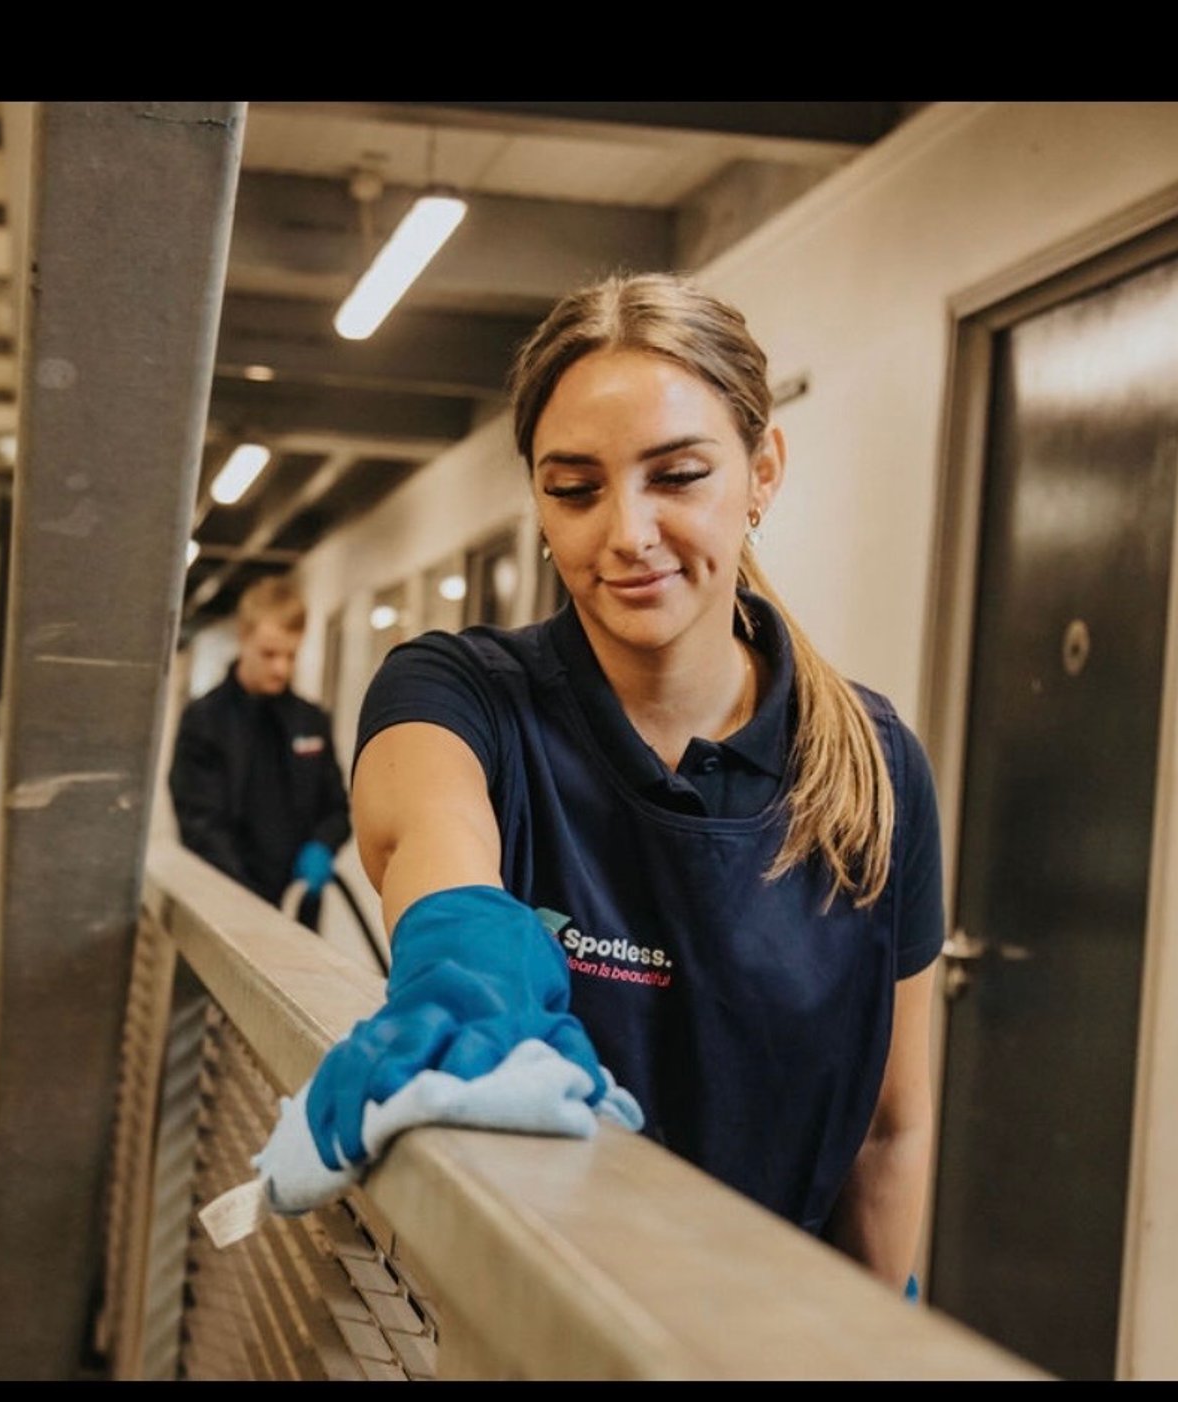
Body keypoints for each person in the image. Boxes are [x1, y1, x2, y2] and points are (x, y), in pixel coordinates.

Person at [255, 272, 943, 1298]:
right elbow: (427, 830)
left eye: (677, 477)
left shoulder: (873, 767)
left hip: (765, 1333)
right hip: (517, 1321)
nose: (626, 532)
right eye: (575, 488)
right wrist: (466, 959)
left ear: (762, 472)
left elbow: (891, 1130)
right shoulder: (463, 693)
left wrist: (874, 1330)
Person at [169, 575, 352, 931]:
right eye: (269, 654)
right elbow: (200, 824)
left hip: (297, 914)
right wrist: (250, 904)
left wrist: (323, 845)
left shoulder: (311, 721)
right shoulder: (204, 720)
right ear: (243, 638)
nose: (281, 668)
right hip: (223, 914)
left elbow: (336, 808)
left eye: (291, 655)